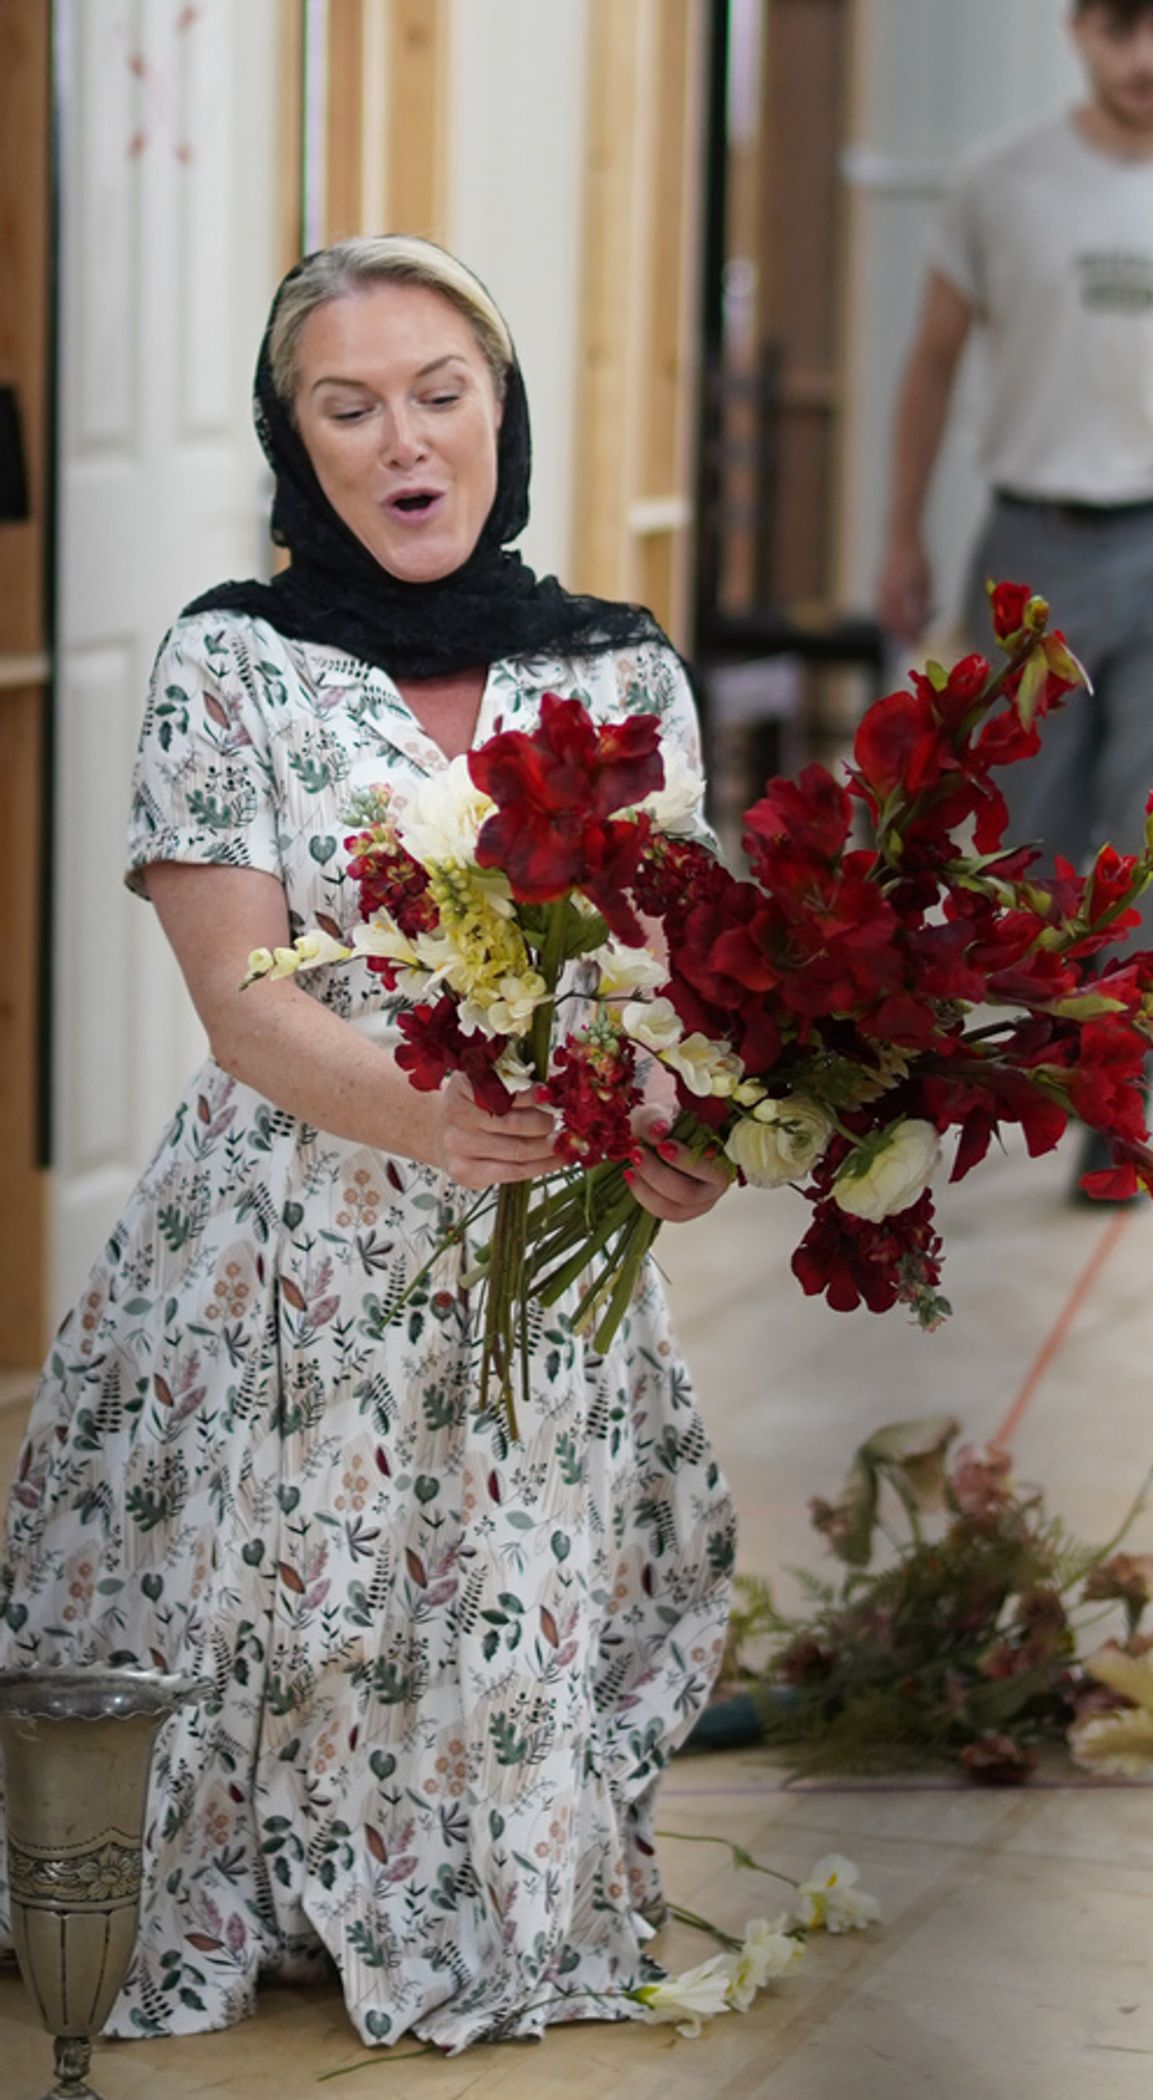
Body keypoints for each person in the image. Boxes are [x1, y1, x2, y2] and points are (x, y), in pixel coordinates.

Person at [0, 238, 736, 2053]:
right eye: (347, 407)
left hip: (532, 1277)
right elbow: (245, 1004)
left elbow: (664, 999)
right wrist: (434, 1118)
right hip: (281, 1251)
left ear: (503, 416)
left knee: (487, 1615)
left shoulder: (621, 672)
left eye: (439, 394)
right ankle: (240, 1886)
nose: (401, 439)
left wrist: (681, 1131)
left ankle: (459, 1889)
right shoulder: (227, 660)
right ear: (292, 440)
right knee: (258, 1607)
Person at [877, 0, 1153, 1109]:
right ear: (1079, 30)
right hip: (1033, 545)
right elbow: (929, 361)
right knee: (1022, 838)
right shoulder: (998, 179)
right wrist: (901, 533)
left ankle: (1122, 1103)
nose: (1144, 61)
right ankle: (1033, 1078)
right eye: (1121, 32)